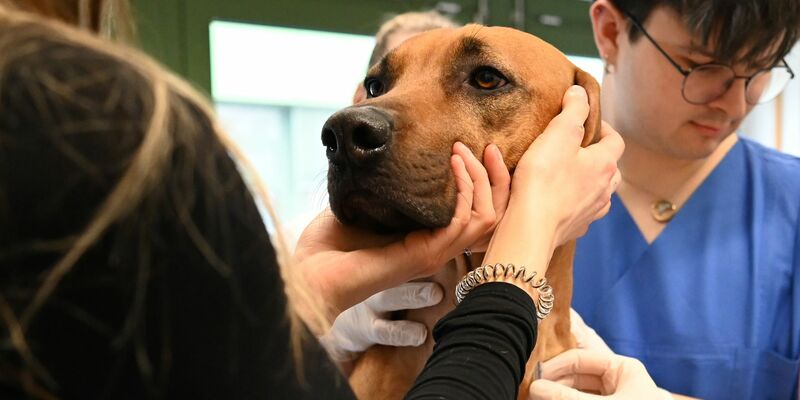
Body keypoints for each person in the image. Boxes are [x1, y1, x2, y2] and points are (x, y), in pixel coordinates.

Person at [0, 2, 625, 400]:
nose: (366, 117)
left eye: (485, 81)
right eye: (379, 85)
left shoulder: (590, 370)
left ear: (581, 148)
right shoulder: (346, 371)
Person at [532, 0, 800, 399]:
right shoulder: (516, 198)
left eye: (760, 69)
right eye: (701, 66)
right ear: (611, 32)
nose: (735, 103)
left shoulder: (790, 205)